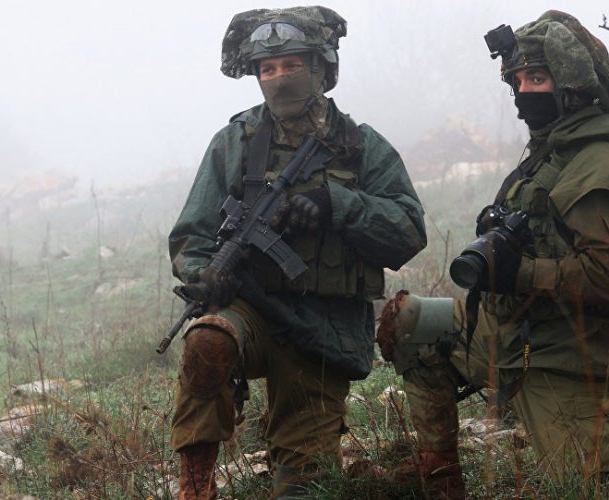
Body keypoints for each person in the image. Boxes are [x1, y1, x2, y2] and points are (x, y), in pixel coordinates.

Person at [378, 9, 609, 495]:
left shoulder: (602, 163)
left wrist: (520, 272)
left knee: (591, 489)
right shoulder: (551, 152)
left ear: (572, 86)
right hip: (511, 332)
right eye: (516, 80)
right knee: (409, 323)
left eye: (536, 78)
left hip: (572, 353)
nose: (522, 92)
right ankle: (440, 477)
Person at [168, 6, 427, 499]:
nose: (279, 78)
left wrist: (338, 204)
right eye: (267, 69)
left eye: (291, 65)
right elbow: (192, 234)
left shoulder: (361, 146)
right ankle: (196, 484)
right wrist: (203, 273)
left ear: (320, 67)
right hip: (251, 310)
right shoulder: (234, 143)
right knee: (207, 341)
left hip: (322, 330)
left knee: (303, 488)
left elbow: (409, 230)